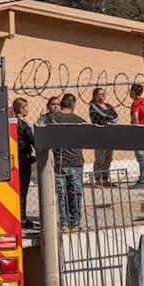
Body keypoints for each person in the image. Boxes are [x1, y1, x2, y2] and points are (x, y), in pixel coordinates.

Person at [49, 93, 86, 228]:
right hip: (76, 160)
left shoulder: (52, 119)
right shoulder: (80, 121)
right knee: (75, 192)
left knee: (61, 193)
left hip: (59, 161)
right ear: (73, 105)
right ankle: (75, 221)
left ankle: (63, 222)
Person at [11, 98, 37, 229]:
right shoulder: (23, 125)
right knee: (23, 190)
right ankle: (22, 218)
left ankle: (17, 216)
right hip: (23, 161)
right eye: (26, 107)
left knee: (17, 190)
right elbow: (33, 141)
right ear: (21, 109)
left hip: (16, 159)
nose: (28, 109)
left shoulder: (12, 123)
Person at [88, 87, 119, 185]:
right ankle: (97, 180)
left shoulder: (108, 106)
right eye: (99, 94)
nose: (102, 96)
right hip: (99, 135)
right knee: (100, 159)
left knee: (108, 158)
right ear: (95, 96)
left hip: (110, 134)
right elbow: (100, 117)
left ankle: (105, 179)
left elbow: (115, 117)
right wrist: (108, 118)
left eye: (103, 94)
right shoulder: (93, 106)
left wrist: (108, 119)